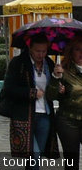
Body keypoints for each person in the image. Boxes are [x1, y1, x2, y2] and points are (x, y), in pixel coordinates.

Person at [1, 33, 58, 168]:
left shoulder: (49, 63)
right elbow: (8, 89)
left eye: (44, 51)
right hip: (24, 116)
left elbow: (52, 92)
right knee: (34, 154)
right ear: (30, 48)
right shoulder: (18, 63)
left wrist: (57, 77)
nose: (41, 54)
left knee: (35, 157)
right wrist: (31, 93)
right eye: (38, 51)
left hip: (45, 115)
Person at [47, 35, 82, 169]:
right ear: (71, 52)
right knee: (71, 161)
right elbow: (50, 96)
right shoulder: (63, 70)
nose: (81, 53)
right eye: (78, 49)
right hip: (68, 121)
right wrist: (56, 79)